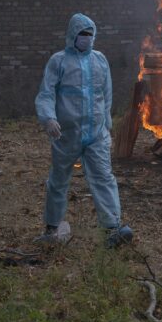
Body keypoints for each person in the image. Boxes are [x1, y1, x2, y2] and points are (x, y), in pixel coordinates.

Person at [34, 13, 132, 247]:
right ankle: (52, 226)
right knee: (58, 180)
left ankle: (112, 228)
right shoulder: (58, 61)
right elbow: (46, 93)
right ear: (72, 35)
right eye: (82, 34)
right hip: (67, 133)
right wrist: (48, 118)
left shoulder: (100, 60)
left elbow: (105, 95)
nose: (87, 38)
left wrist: (106, 125)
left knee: (103, 178)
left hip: (96, 134)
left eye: (90, 34)